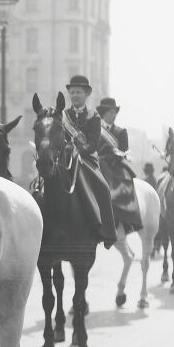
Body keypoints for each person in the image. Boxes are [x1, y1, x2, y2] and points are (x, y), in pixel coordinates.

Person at [62, 75, 117, 247]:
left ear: (86, 94)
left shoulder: (94, 117)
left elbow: (93, 143)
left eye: (78, 92)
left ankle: (108, 232)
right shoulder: (63, 115)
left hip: (87, 160)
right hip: (65, 158)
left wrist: (79, 150)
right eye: (72, 92)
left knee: (103, 187)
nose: (75, 96)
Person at [96, 97, 142, 234]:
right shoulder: (96, 129)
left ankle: (128, 219)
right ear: (104, 113)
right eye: (111, 112)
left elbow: (124, 150)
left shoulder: (121, 132)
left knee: (126, 185)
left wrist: (113, 155)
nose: (114, 115)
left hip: (115, 165)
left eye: (115, 112)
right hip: (97, 162)